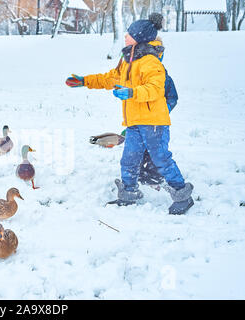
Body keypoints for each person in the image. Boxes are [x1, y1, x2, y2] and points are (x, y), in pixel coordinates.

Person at [66, 13, 194, 215]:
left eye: (130, 33)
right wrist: (84, 81)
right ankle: (129, 194)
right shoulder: (127, 62)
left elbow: (155, 88)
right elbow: (108, 78)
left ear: (140, 37)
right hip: (134, 122)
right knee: (129, 159)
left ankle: (182, 196)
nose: (126, 36)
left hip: (154, 122)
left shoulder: (151, 62)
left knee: (161, 159)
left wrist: (133, 92)